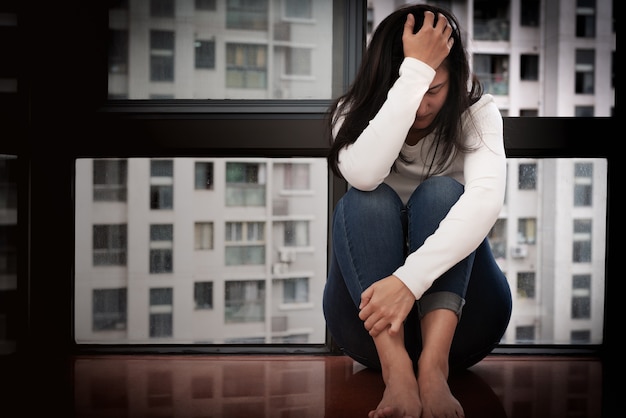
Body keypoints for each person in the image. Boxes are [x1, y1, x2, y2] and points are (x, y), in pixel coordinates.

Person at [322, 4, 512, 418]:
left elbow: (486, 200)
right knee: (364, 197)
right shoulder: (350, 114)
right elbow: (366, 173)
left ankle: (432, 370)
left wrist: (407, 282)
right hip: (367, 327)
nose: (423, 106)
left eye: (435, 89)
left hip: (466, 324)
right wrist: (414, 76)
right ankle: (398, 376)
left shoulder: (476, 114)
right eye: (412, 89)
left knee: (443, 193)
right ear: (387, 85)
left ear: (455, 80)